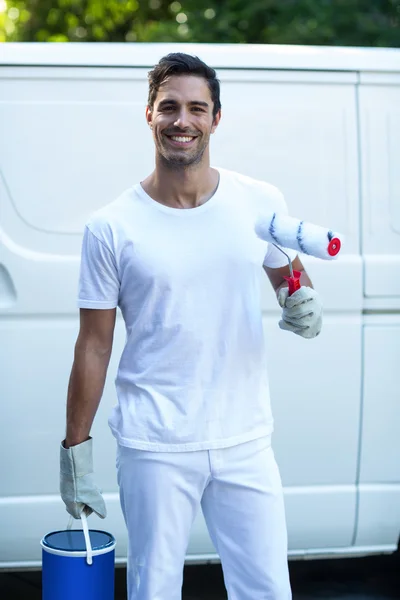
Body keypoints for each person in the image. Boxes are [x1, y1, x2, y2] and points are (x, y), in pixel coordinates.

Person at [60, 53, 322, 600]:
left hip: (246, 437)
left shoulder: (259, 201)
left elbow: (288, 277)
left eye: (196, 109)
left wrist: (301, 302)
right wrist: (75, 451)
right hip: (154, 444)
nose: (183, 121)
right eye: (170, 107)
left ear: (216, 119)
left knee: (268, 591)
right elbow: (94, 344)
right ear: (150, 115)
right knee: (154, 591)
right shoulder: (111, 226)